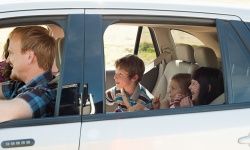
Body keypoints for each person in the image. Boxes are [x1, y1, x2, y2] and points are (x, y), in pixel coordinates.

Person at [0, 26, 56, 122]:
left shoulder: (43, 94)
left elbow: (3, 113)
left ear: (29, 56)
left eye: (11, 53)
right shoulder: (21, 85)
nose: (8, 60)